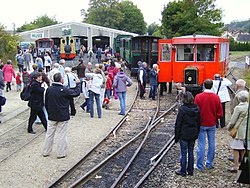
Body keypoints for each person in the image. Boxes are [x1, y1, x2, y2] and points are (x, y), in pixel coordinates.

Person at [43, 73, 81, 158]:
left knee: (49, 134)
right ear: (61, 80)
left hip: (52, 115)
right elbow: (76, 93)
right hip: (63, 115)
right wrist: (78, 84)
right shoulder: (64, 90)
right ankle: (61, 153)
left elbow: (46, 102)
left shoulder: (49, 89)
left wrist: (49, 112)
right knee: (62, 134)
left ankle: (46, 151)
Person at [194, 79, 223, 171]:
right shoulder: (216, 97)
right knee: (212, 143)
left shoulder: (198, 97)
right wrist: (215, 118)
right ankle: (209, 163)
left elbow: (195, 111)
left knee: (201, 144)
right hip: (212, 123)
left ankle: (200, 165)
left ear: (203, 85)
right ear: (212, 85)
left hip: (201, 123)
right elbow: (220, 112)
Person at [175, 91, 201, 177]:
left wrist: (176, 136)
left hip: (184, 133)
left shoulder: (182, 109)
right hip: (193, 133)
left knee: (183, 152)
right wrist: (197, 132)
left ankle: (183, 171)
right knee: (191, 152)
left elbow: (178, 124)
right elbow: (199, 122)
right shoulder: (196, 108)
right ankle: (190, 171)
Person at [227, 91, 249, 173]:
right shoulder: (248, 107)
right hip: (246, 131)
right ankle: (244, 165)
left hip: (238, 131)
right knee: (244, 149)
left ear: (239, 99)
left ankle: (236, 166)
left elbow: (233, 120)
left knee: (236, 149)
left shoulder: (238, 108)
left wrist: (229, 128)